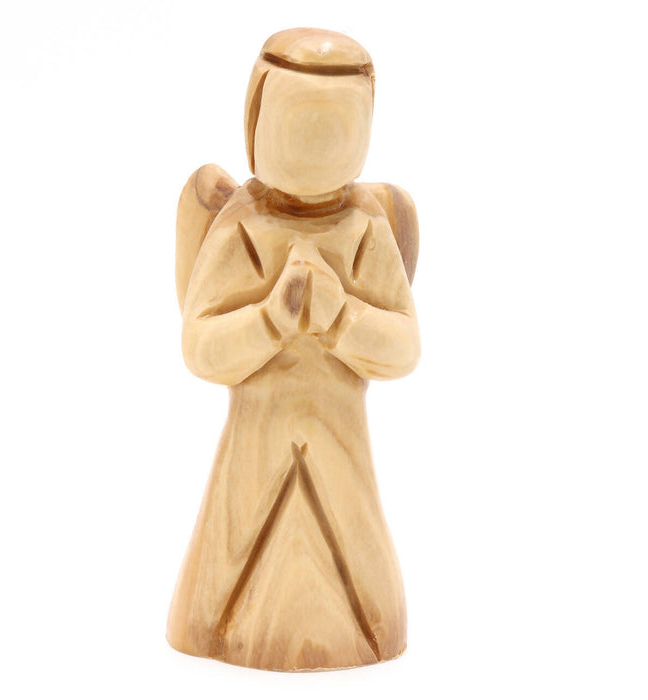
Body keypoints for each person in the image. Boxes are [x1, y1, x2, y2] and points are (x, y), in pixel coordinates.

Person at [168, 27, 421, 671]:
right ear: (256, 113)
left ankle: (364, 633)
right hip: (256, 441)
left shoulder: (366, 228)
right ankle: (219, 630)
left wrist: (342, 318)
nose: (319, 141)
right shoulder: (243, 225)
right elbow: (200, 345)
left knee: (365, 592)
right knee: (221, 592)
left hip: (340, 440)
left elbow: (403, 346)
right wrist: (269, 320)